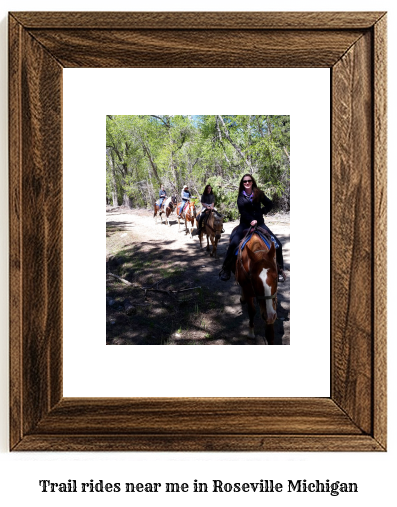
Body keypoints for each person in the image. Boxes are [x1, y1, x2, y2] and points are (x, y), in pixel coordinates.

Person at [219, 173, 286, 282]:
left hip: (260, 224)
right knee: (233, 243)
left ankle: (279, 270)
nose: (247, 183)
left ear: (252, 182)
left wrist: (262, 212)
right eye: (244, 181)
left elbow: (270, 204)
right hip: (245, 224)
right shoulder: (241, 196)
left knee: (278, 244)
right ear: (242, 183)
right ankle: (226, 269)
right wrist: (251, 220)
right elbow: (242, 211)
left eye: (249, 181)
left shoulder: (259, 193)